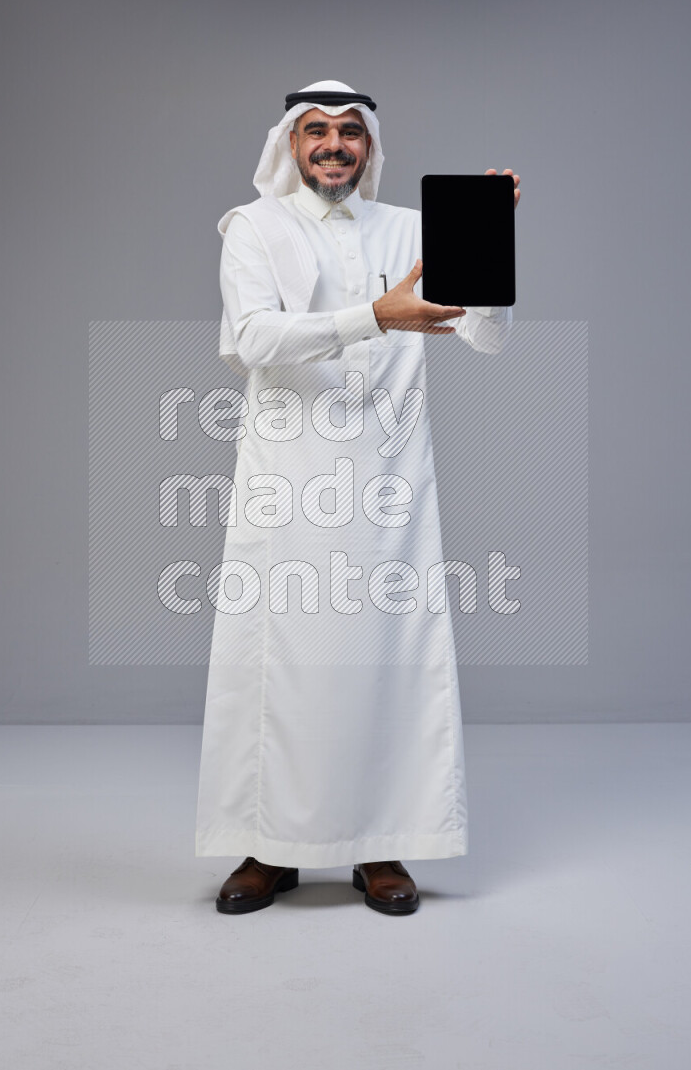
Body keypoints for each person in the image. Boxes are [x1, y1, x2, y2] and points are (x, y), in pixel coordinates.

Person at [195, 80, 520, 915]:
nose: (334, 144)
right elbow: (252, 338)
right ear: (290, 144)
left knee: (384, 666)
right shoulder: (254, 227)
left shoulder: (412, 230)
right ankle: (269, 847)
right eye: (316, 131)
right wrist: (374, 315)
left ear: (371, 147)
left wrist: (493, 247)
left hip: (387, 494)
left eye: (350, 132)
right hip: (287, 490)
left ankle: (380, 846)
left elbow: (483, 335)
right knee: (279, 673)